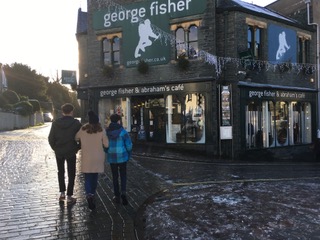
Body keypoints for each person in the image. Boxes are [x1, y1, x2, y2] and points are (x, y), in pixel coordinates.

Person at [48, 103, 82, 205]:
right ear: (72, 111)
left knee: (60, 172)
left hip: (59, 151)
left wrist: (55, 148)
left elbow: (51, 138)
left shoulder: (55, 123)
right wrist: (77, 148)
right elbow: (81, 137)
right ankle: (69, 195)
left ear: (62, 112)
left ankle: (62, 193)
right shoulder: (76, 123)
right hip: (71, 151)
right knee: (71, 173)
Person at [75, 111, 109, 210]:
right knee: (94, 176)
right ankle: (93, 193)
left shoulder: (83, 129)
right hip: (98, 157)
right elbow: (107, 144)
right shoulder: (101, 130)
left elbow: (76, 137)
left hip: (87, 157)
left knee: (88, 177)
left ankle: (89, 194)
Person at [106, 113, 133, 205]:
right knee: (123, 175)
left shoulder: (107, 132)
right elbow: (129, 145)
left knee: (114, 176)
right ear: (118, 121)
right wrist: (129, 152)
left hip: (112, 157)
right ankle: (123, 192)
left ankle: (116, 195)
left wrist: (107, 151)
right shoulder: (123, 132)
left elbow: (104, 145)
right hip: (122, 156)